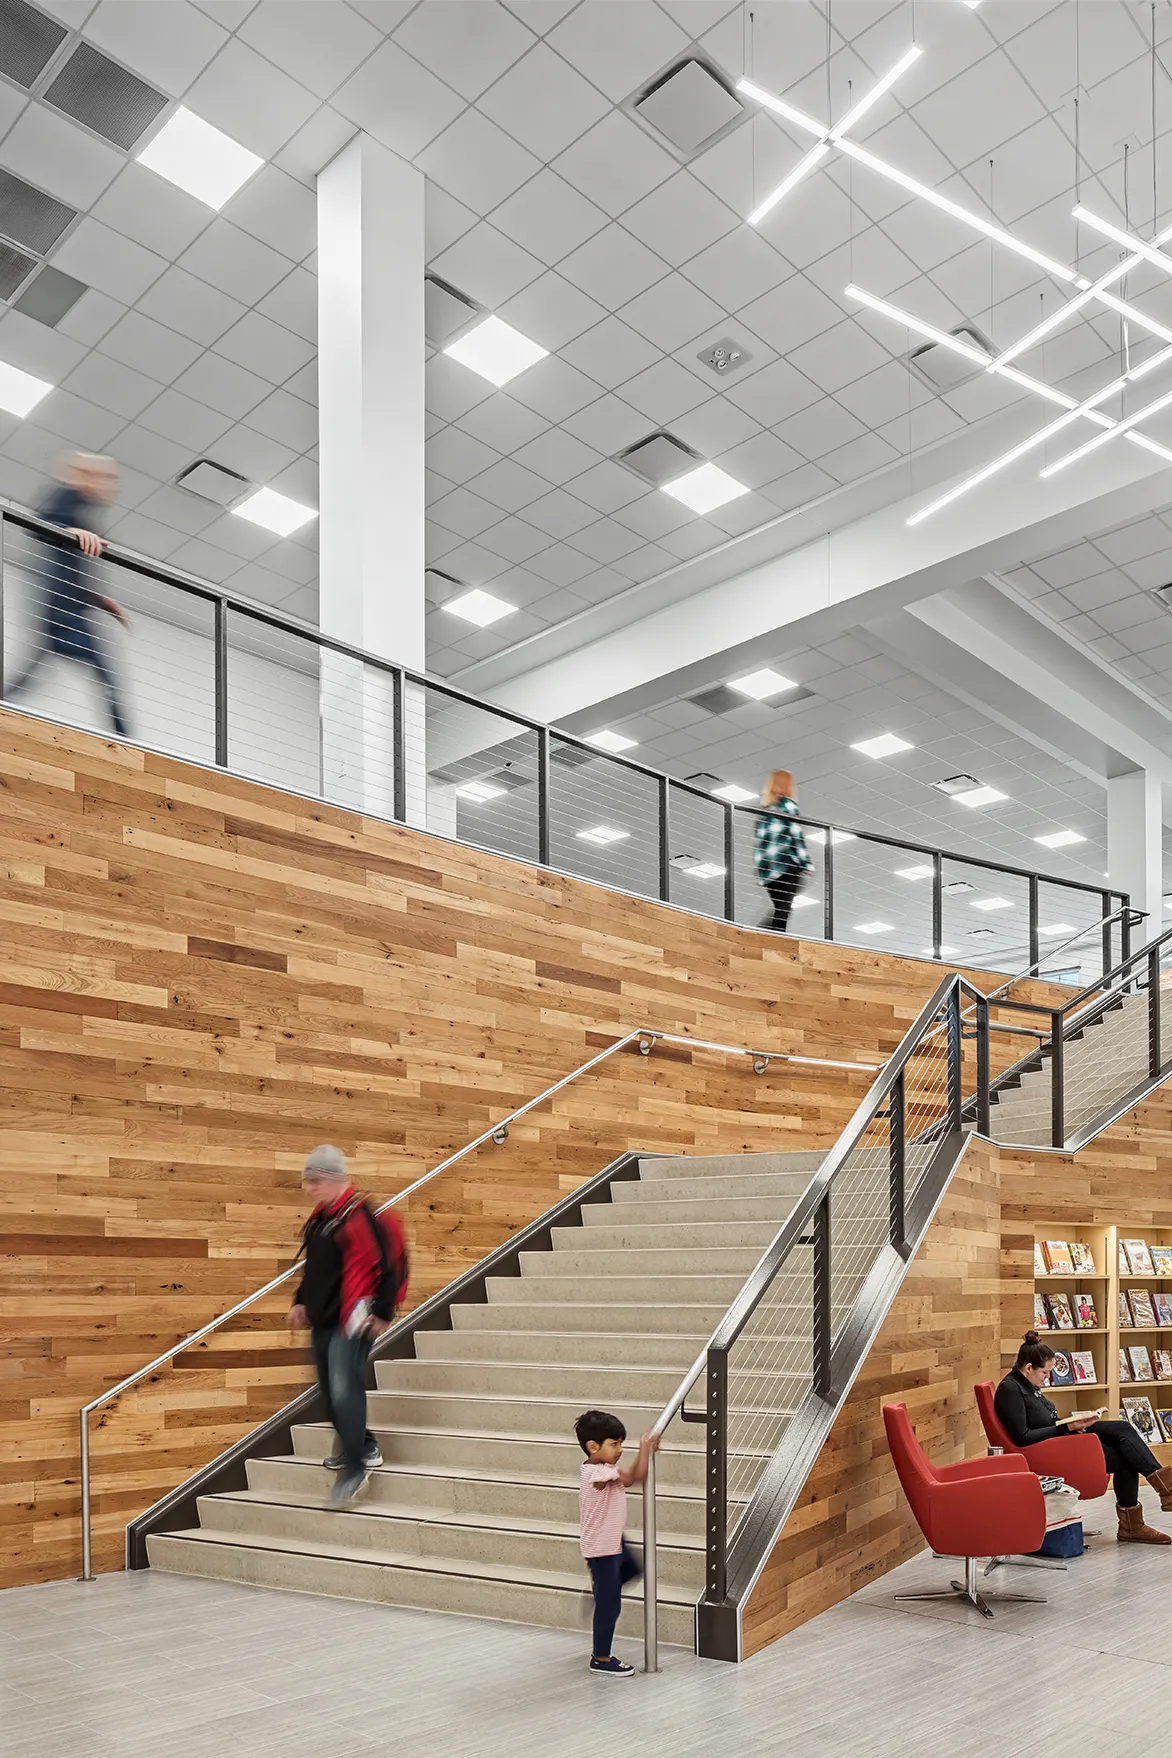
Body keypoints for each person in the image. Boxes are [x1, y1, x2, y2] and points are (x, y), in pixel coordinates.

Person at [287, 1145, 409, 1505]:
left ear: (335, 1179)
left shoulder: (364, 1215)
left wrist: (384, 1311)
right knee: (328, 1391)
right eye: (309, 1181)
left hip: (353, 1320)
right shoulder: (321, 1220)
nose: (310, 1188)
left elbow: (394, 1264)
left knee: (344, 1388)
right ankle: (365, 1445)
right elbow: (313, 1270)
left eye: (315, 1181)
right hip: (323, 1318)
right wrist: (300, 1301)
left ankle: (355, 1468)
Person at [995, 1331, 1172, 1545]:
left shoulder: (1028, 1384)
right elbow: (1022, 1437)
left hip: (1057, 1439)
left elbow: (1044, 1422)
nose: (1047, 1377)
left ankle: (1163, 1492)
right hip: (1047, 1450)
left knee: (1123, 1429)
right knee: (1126, 1455)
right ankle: (1136, 1522)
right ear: (1029, 1368)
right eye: (1045, 1372)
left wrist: (1076, 1423)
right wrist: (1066, 1428)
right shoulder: (1010, 1390)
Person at [6, 453, 131, 738]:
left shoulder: (85, 509)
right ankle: (126, 742)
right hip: (63, 612)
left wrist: (101, 601)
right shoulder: (68, 496)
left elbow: (70, 570)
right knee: (106, 676)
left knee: (31, 676)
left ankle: (125, 739)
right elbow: (39, 526)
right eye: (103, 477)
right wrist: (69, 530)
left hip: (68, 608)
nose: (107, 485)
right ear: (86, 476)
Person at [575, 1409, 659, 1677]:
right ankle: (600, 1658)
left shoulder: (606, 1468)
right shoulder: (594, 1474)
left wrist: (646, 1451)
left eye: (621, 1443)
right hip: (601, 1549)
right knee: (611, 1606)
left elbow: (633, 1476)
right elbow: (636, 1477)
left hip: (613, 1541)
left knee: (633, 1569)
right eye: (614, 1444)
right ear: (592, 1446)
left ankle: (600, 1593)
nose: (620, 1449)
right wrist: (645, 1448)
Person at [754, 769, 813, 933]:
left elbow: (760, 844)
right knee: (784, 909)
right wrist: (806, 864)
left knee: (781, 907)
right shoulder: (788, 806)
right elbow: (796, 836)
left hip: (768, 872)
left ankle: (761, 935)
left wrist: (763, 872)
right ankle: (768, 938)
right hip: (786, 865)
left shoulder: (764, 812)